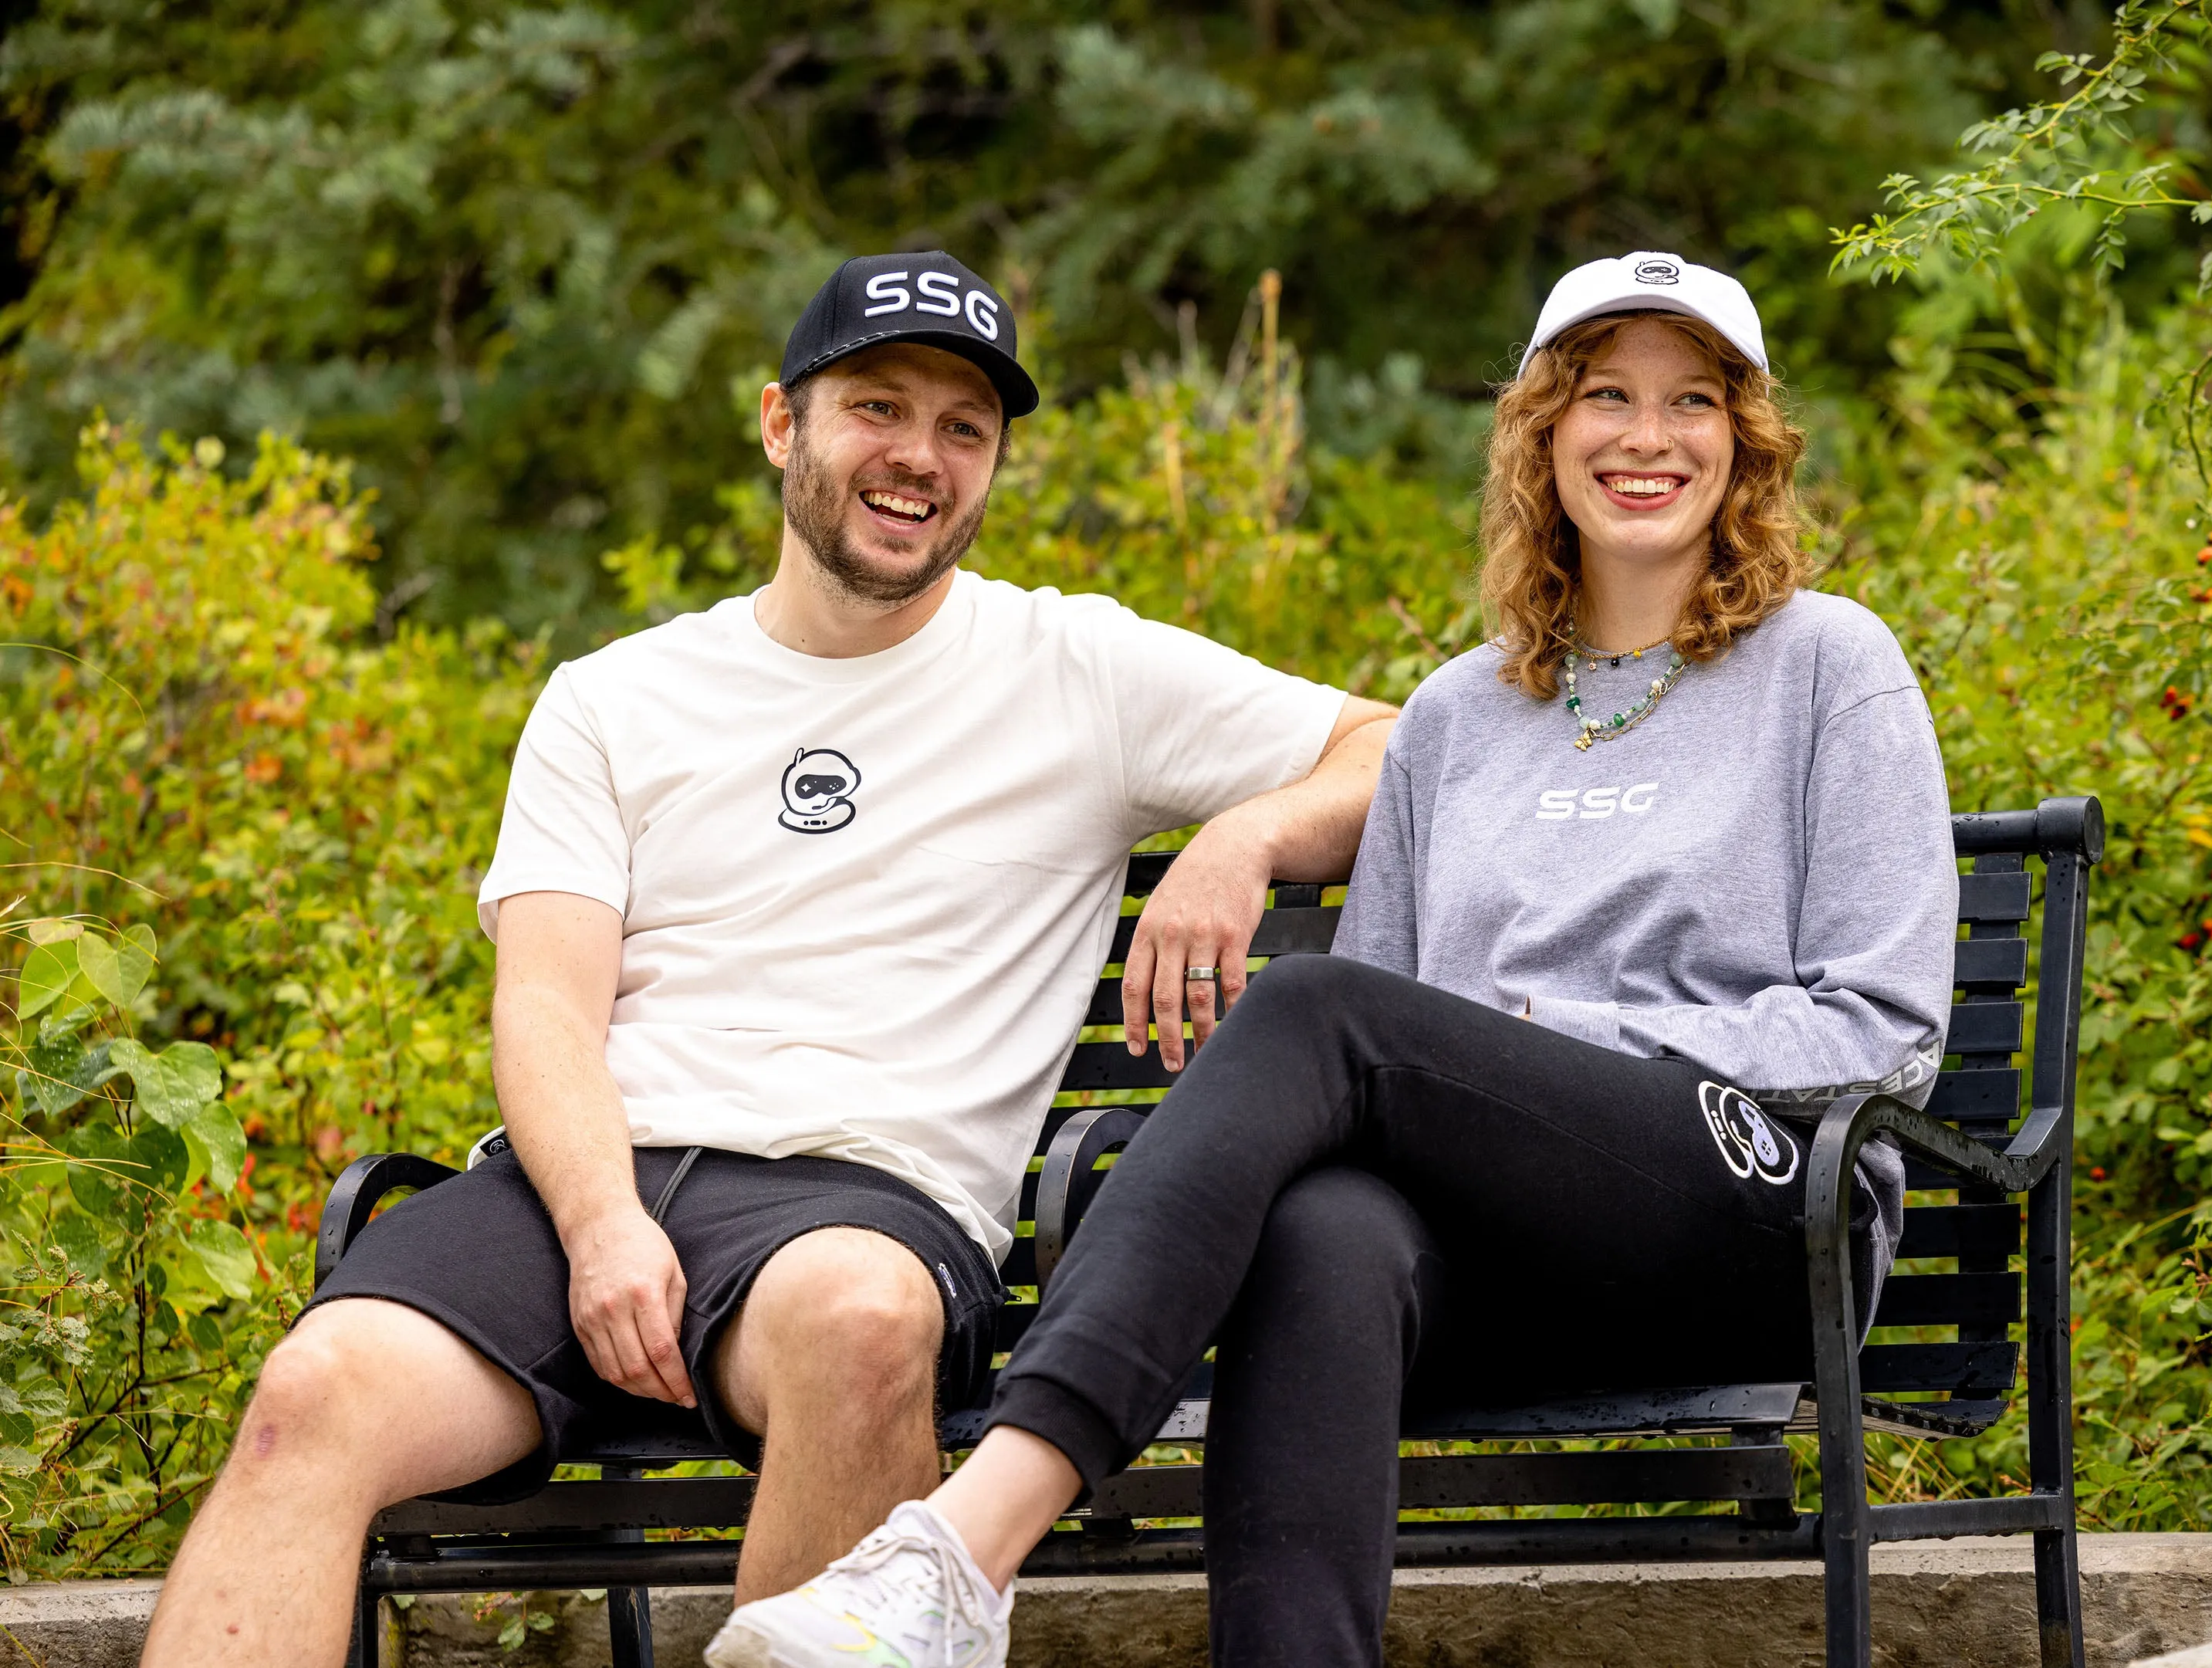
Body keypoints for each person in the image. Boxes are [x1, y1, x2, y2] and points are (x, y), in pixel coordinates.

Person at [137, 250, 1397, 1668]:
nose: (919, 457)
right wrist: (605, 1221)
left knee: (860, 1323)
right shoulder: (615, 698)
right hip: (578, 1196)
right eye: (877, 407)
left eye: (964, 428)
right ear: (781, 423)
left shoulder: (1079, 673)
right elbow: (547, 1001)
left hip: (862, 1211)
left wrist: (1243, 839)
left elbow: (1398, 749)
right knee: (315, 1392)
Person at [708, 252, 1959, 1668]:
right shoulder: (1456, 716)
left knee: (1318, 1011)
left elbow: (1884, 1027)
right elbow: (1379, 1082)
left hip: (1752, 1213)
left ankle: (969, 1541)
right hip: (1507, 1263)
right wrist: (1467, 1057)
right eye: (1606, 395)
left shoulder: (1828, 667)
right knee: (1323, 1232)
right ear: (1544, 434)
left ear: (1745, 443)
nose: (1648, 437)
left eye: (1692, 402)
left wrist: (1569, 1059)